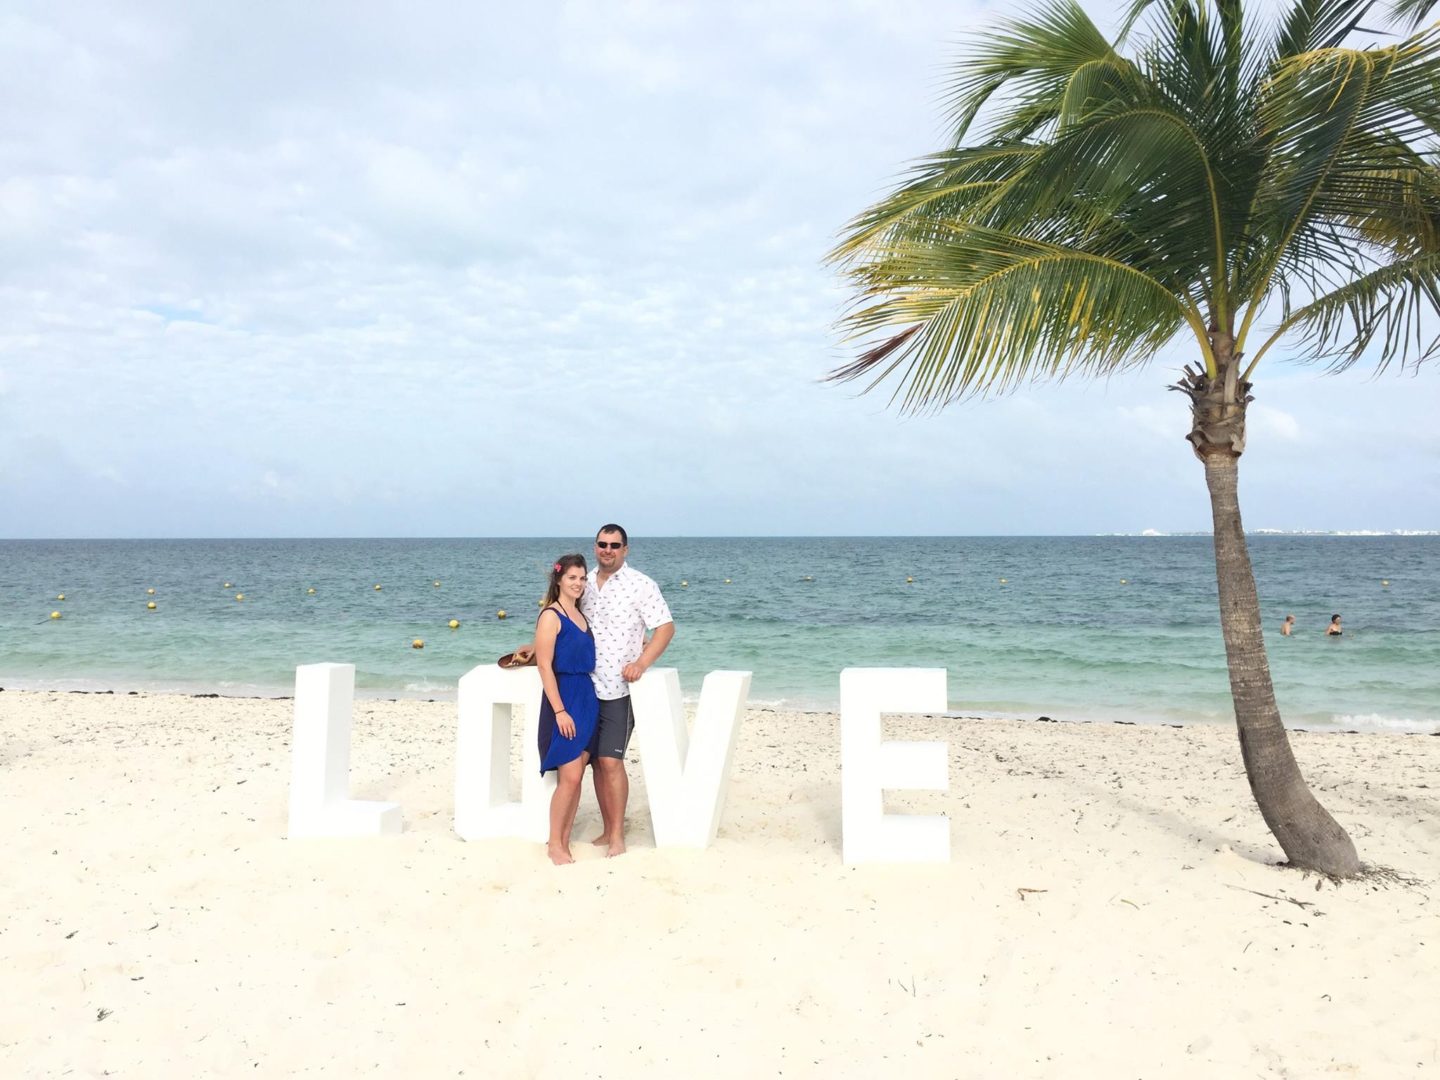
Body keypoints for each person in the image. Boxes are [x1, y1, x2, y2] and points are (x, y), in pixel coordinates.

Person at [515, 524, 675, 857]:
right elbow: (564, 624)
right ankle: (594, 833)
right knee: (592, 766)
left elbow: (665, 627)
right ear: (595, 546)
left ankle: (616, 835)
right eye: (602, 544)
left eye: (615, 545)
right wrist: (536, 647)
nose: (608, 549)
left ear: (625, 549)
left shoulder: (641, 585)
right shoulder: (583, 583)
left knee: (611, 762)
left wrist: (641, 662)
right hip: (584, 691)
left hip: (618, 688)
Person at [534, 554, 600, 866]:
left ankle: (565, 838)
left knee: (578, 774)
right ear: (559, 579)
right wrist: (560, 711)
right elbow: (545, 666)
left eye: (583, 578)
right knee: (570, 776)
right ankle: (554, 843)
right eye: (573, 578)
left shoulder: (581, 614)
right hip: (564, 699)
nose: (578, 583)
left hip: (587, 696)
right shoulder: (552, 615)